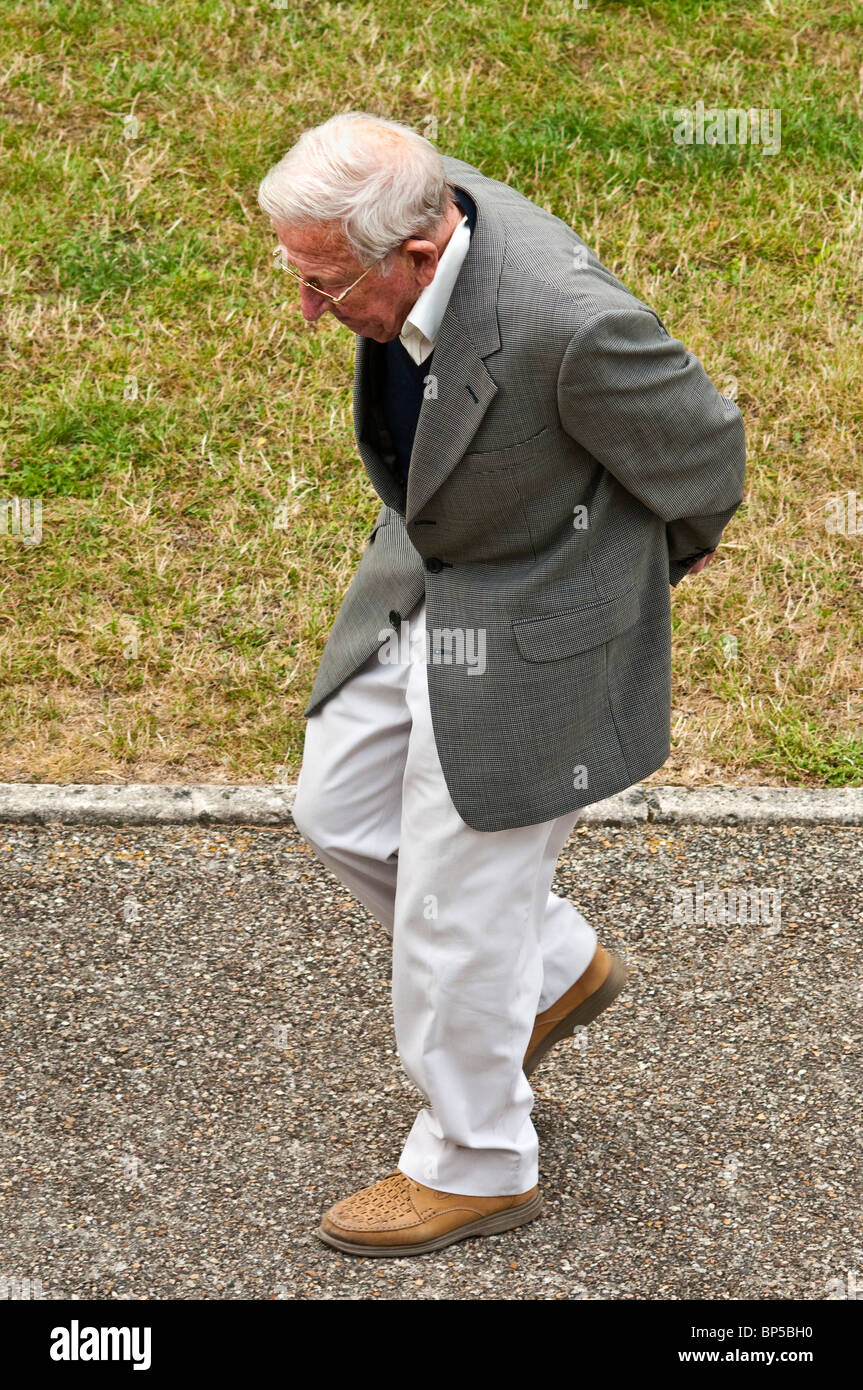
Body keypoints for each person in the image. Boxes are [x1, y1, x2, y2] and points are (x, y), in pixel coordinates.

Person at [256, 111, 746, 1258]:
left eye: (325, 286)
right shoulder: (413, 201)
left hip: (533, 633)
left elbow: (703, 455)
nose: (307, 312)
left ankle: (476, 1160)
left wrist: (605, 589)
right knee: (338, 813)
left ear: (418, 255)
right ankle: (554, 969)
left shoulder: (568, 327)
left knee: (452, 905)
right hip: (427, 577)